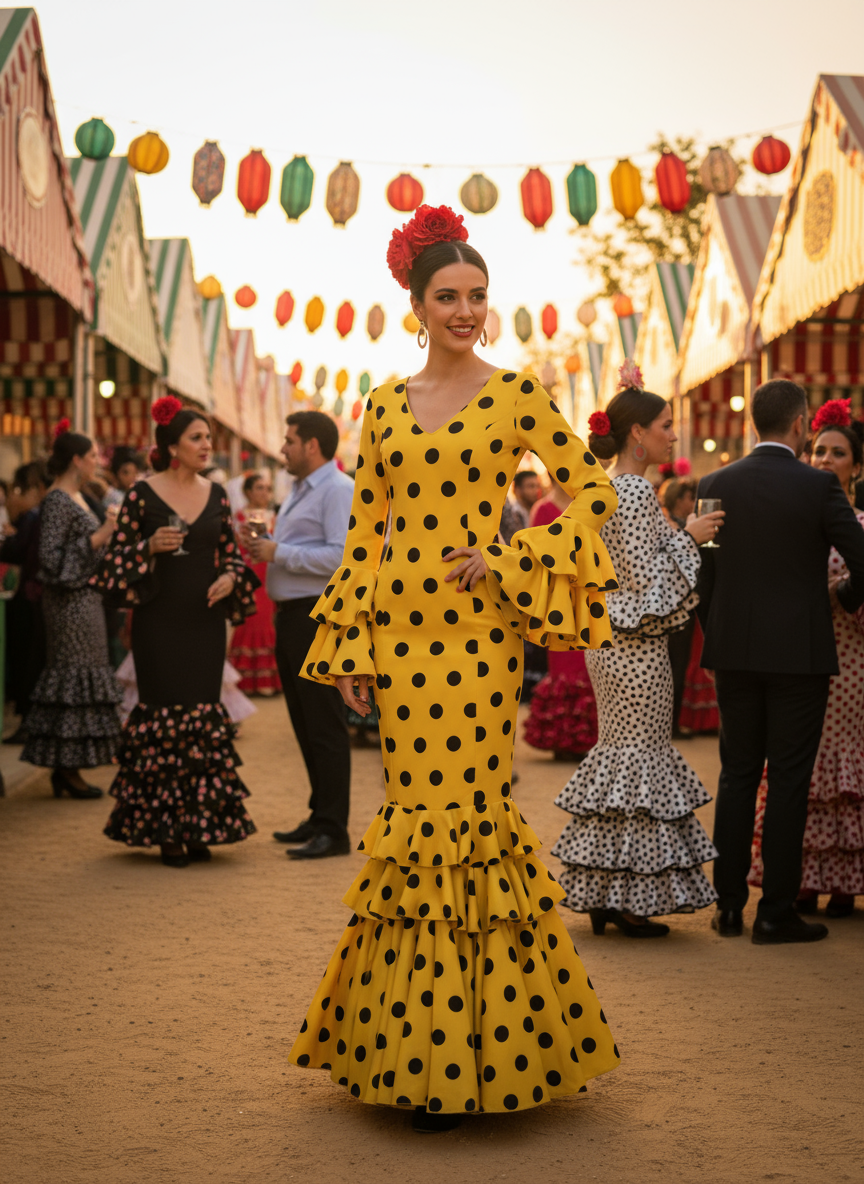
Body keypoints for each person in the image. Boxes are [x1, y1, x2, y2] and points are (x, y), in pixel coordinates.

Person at [287, 204, 621, 1131]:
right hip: (398, 640)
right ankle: (412, 1049)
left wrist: (512, 561)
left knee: (466, 816)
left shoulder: (516, 393)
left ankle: (479, 1053)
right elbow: (364, 535)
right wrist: (351, 643)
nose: (466, 309)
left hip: (477, 644)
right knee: (410, 817)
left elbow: (590, 490)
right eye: (448, 296)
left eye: (477, 295)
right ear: (417, 303)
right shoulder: (383, 405)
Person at [553, 362, 723, 938]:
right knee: (639, 759)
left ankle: (608, 891)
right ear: (636, 434)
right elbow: (644, 579)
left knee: (623, 756)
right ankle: (626, 898)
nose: (673, 435)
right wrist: (688, 536)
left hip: (612, 644)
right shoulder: (631, 492)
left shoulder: (611, 489)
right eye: (666, 425)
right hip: (634, 647)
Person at [696, 379, 864, 944]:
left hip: (735, 652)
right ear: (800, 425)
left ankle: (726, 905)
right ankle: (775, 912)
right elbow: (861, 559)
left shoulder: (716, 482)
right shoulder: (818, 488)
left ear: (752, 425)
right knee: (789, 780)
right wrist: (842, 598)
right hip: (800, 653)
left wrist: (716, 634)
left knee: (738, 773)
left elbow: (705, 574)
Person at [93, 397, 258, 868]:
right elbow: (113, 563)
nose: (208, 445)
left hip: (206, 623)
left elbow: (229, 553)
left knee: (203, 715)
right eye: (197, 438)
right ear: (172, 446)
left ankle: (201, 825)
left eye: (208, 437)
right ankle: (168, 830)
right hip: (158, 623)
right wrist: (147, 546)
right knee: (164, 717)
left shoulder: (220, 494)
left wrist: (229, 575)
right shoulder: (141, 496)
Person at [749, 400, 864, 919]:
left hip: (851, 659)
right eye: (818, 449)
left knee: (842, 765)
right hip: (797, 654)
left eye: (837, 453)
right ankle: (799, 880)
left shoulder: (860, 522)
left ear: (856, 467)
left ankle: (844, 882)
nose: (824, 459)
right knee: (801, 766)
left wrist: (841, 591)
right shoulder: (796, 509)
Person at [243, 411, 355, 860]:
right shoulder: (300, 489)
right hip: (293, 616)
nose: (283, 448)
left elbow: (343, 556)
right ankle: (320, 812)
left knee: (324, 725)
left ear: (312, 445)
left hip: (317, 616)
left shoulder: (338, 490)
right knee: (305, 723)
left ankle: (334, 828)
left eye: (289, 440)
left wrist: (278, 551)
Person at [20, 423, 122, 797]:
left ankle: (70, 766)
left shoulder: (77, 498)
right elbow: (48, 559)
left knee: (84, 676)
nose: (98, 462)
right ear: (77, 459)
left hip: (86, 599)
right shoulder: (58, 500)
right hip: (68, 604)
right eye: (94, 455)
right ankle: (65, 768)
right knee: (72, 679)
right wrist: (99, 536)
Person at [523, 480, 598, 761]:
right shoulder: (542, 510)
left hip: (585, 596)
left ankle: (587, 737)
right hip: (556, 600)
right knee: (563, 665)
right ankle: (564, 737)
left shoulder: (585, 507)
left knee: (587, 662)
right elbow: (532, 558)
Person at [1, 460, 49, 744]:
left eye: (19, 489)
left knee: (27, 663)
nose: (12, 496)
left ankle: (29, 721)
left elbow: (19, 553)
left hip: (31, 599)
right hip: (34, 597)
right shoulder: (37, 516)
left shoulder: (35, 516)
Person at [228, 471, 280, 695]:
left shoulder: (276, 517)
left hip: (268, 575)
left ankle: (267, 683)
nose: (265, 493)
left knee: (266, 622)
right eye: (259, 487)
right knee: (248, 620)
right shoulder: (237, 518)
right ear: (247, 491)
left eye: (268, 488)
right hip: (247, 575)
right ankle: (246, 682)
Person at [499, 469, 541, 546]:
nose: (536, 490)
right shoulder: (508, 514)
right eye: (531, 486)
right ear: (517, 489)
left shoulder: (539, 511)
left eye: (538, 486)